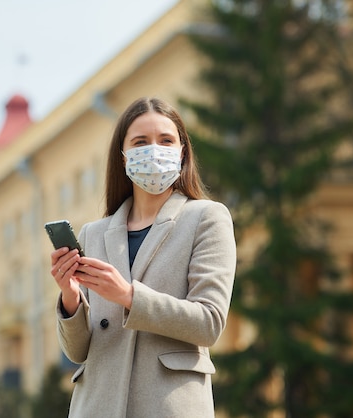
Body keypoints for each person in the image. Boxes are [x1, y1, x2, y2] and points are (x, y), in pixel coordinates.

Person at [50, 96, 237, 418]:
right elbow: (77, 351)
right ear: (123, 157)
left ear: (182, 152)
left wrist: (127, 296)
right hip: (96, 406)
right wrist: (70, 298)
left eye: (166, 140)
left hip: (168, 405)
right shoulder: (93, 233)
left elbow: (209, 323)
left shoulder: (206, 218)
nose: (154, 150)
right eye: (140, 142)